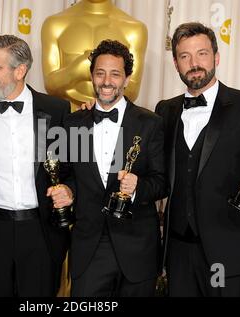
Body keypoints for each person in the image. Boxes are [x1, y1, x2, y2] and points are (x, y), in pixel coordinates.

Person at [155, 22, 240, 297]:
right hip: (179, 253)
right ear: (176, 63)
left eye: (202, 54)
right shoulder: (164, 110)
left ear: (216, 57)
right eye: (185, 56)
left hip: (230, 251)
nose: (194, 63)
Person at [49, 39, 166, 297]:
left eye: (115, 74)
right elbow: (69, 174)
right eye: (100, 73)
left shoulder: (150, 123)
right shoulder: (73, 123)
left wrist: (137, 187)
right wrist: (68, 191)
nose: (106, 81)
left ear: (127, 79)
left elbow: (161, 180)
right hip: (89, 247)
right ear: (92, 76)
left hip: (137, 248)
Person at [0, 35, 71, 297]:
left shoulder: (57, 109)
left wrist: (69, 190)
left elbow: (71, 167)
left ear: (20, 70)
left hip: (40, 231)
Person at [41, 0, 147, 107]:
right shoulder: (54, 24)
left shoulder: (135, 29)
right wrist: (75, 71)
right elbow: (50, 85)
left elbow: (132, 91)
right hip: (65, 117)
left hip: (112, 116)